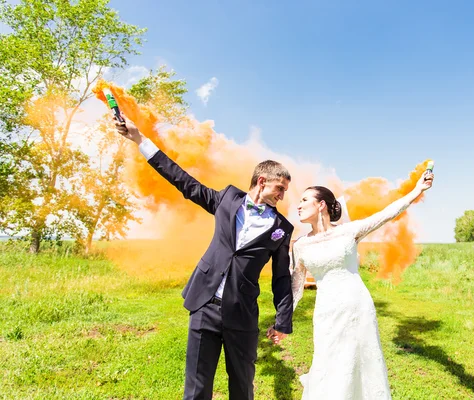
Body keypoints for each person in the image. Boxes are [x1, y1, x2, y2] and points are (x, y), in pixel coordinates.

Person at [115, 119, 294, 400]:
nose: (283, 196)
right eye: (280, 188)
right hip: (204, 305)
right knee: (196, 389)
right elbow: (184, 181)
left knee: (242, 387)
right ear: (262, 181)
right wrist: (140, 141)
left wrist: (283, 320)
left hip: (242, 313)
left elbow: (282, 278)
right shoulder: (227, 199)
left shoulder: (283, 228)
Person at [290, 171, 434, 399]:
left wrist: (417, 190)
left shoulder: (349, 231)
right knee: (327, 364)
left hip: (357, 307)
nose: (298, 206)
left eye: (304, 200)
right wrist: (282, 320)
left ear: (321, 205)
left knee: (361, 364)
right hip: (327, 311)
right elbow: (295, 286)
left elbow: (386, 214)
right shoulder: (300, 245)